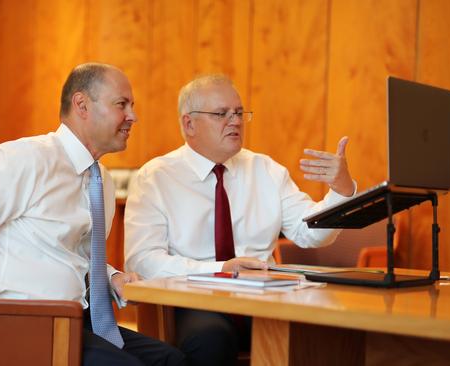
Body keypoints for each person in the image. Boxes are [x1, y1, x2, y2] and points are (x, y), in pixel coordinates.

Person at [0, 63, 186, 366]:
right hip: (25, 325)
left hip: (77, 321)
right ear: (82, 105)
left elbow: (73, 256)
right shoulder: (26, 158)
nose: (133, 116)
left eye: (132, 105)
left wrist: (111, 275)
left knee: (172, 360)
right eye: (122, 104)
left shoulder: (101, 180)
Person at [124, 74, 356, 366]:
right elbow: (142, 261)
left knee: (329, 331)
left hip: (264, 299)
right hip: (194, 300)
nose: (235, 121)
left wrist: (342, 190)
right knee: (210, 340)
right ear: (189, 124)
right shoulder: (155, 177)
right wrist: (220, 269)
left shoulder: (266, 169)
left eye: (239, 113)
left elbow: (310, 233)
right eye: (222, 114)